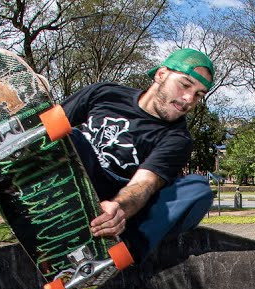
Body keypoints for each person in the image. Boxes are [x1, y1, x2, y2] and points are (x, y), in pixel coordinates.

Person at [62, 48, 216, 261]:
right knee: (73, 138)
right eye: (185, 84)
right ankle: (18, 177)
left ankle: (117, 256)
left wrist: (119, 209)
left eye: (199, 95)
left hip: (124, 201)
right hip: (80, 176)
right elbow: (51, 125)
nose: (188, 99)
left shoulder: (178, 138)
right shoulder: (105, 94)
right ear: (161, 75)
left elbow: (144, 184)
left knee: (197, 190)